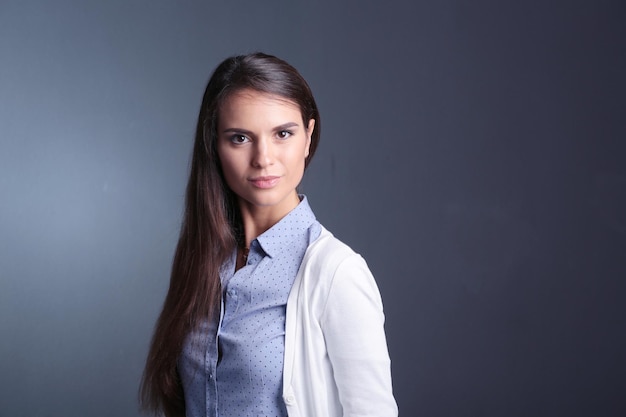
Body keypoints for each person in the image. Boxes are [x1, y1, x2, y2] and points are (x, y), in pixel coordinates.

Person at [140, 52, 397, 417]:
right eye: (241, 137)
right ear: (215, 144)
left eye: (282, 134)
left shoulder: (337, 274)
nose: (264, 158)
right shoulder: (203, 264)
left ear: (308, 137)